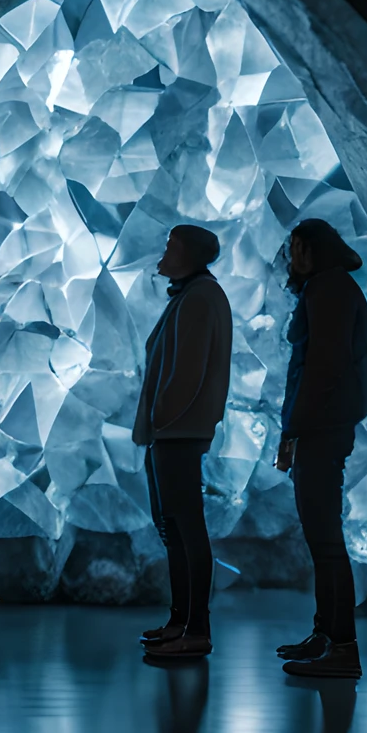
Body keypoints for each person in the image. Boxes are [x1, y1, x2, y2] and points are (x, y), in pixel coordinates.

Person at [274, 218, 367, 681]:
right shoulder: (330, 288)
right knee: (321, 539)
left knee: (327, 541)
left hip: (321, 429)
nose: (291, 258)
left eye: (297, 249)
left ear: (315, 252)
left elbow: (320, 368)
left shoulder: (327, 290)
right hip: (321, 427)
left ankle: (342, 646)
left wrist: (293, 430)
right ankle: (325, 634)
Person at [133, 222, 233, 663]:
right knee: (176, 528)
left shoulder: (199, 299)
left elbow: (186, 374)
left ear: (189, 255)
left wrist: (161, 419)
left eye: (170, 245)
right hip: (173, 432)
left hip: (178, 433)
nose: (163, 251)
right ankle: (181, 621)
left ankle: (196, 628)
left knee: (186, 528)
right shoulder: (193, 296)